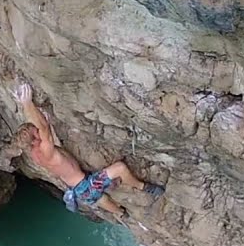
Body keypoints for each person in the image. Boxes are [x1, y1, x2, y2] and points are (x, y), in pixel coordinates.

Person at [13, 82, 164, 218]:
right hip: (87, 185)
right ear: (35, 140)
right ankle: (143, 187)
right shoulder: (45, 149)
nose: (38, 131)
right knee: (120, 168)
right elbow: (43, 127)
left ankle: (120, 213)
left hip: (79, 190)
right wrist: (27, 103)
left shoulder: (34, 152)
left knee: (101, 199)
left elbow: (37, 127)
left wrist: (33, 113)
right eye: (36, 133)